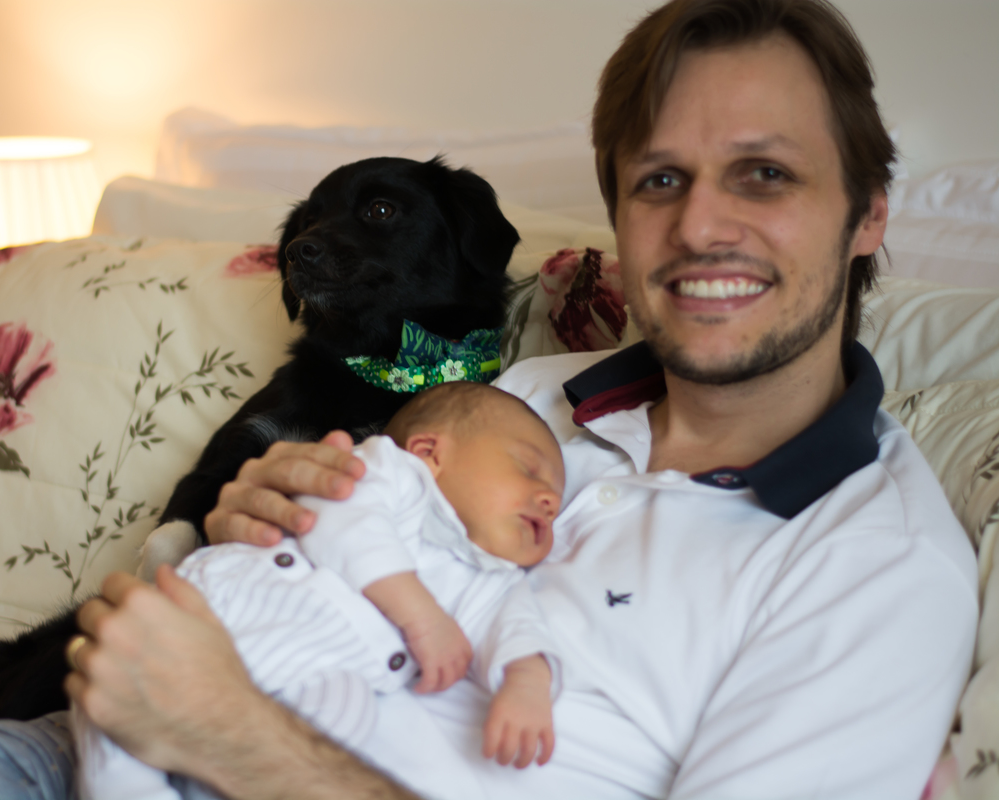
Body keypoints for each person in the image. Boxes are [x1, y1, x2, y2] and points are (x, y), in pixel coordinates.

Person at [63, 0, 978, 798]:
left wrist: (236, 736)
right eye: (660, 180)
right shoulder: (522, 393)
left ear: (868, 212)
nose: (699, 226)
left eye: (765, 173)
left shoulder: (876, 567)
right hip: (99, 733)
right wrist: (266, 522)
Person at [72, 383, 566, 800]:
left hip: (314, 676)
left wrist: (526, 686)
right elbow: (341, 522)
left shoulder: (493, 577)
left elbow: (517, 626)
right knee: (121, 711)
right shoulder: (389, 474)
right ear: (428, 453)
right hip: (239, 607)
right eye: (528, 469)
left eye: (557, 505)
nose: (548, 500)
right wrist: (422, 616)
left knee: (345, 724)